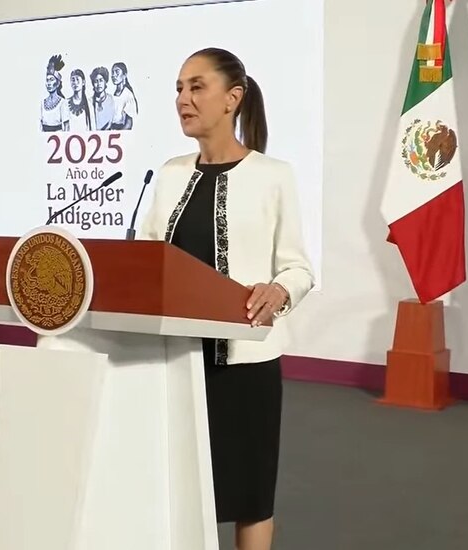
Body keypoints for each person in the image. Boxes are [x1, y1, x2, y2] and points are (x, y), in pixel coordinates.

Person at [139, 47, 314, 550]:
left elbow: (298, 266)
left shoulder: (274, 175)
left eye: (197, 87)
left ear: (232, 98)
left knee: (250, 494)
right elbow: (147, 260)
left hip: (245, 365)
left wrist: (281, 289)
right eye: (178, 88)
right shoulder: (169, 173)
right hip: (171, 362)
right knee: (173, 490)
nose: (183, 99)